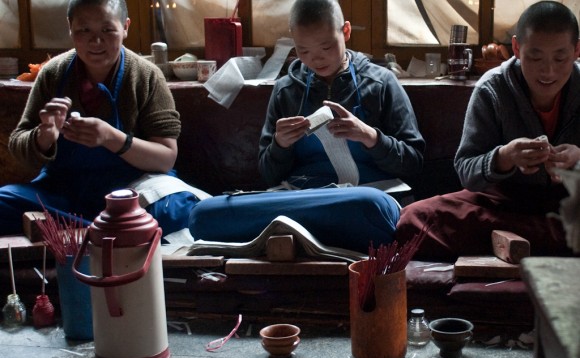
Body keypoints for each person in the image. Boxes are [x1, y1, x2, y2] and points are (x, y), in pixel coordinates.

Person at [188, 0, 424, 253]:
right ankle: (305, 226)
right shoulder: (286, 90)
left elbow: (413, 163)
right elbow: (269, 176)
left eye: (326, 46)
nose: (316, 59)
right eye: (303, 51)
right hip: (302, 198)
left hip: (362, 197)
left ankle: (290, 227)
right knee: (203, 214)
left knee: (369, 206)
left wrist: (370, 137)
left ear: (345, 32)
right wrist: (281, 144)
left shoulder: (380, 83)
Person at [1, 0, 206, 237]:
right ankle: (108, 232)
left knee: (177, 211)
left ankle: (82, 229)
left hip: (133, 189)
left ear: (125, 27)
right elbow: (18, 143)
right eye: (84, 30)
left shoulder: (147, 76)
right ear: (70, 27)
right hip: (63, 189)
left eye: (107, 30)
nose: (95, 42)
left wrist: (112, 137)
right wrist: (44, 136)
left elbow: (166, 158)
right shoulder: (53, 73)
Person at [395, 1, 580, 262]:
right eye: (535, 57)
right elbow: (466, 172)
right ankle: (549, 241)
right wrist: (504, 157)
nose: (548, 71)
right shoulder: (492, 89)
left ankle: (521, 241)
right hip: (506, 204)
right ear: (516, 48)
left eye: (560, 58)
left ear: (577, 51)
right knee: (415, 220)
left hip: (570, 203)